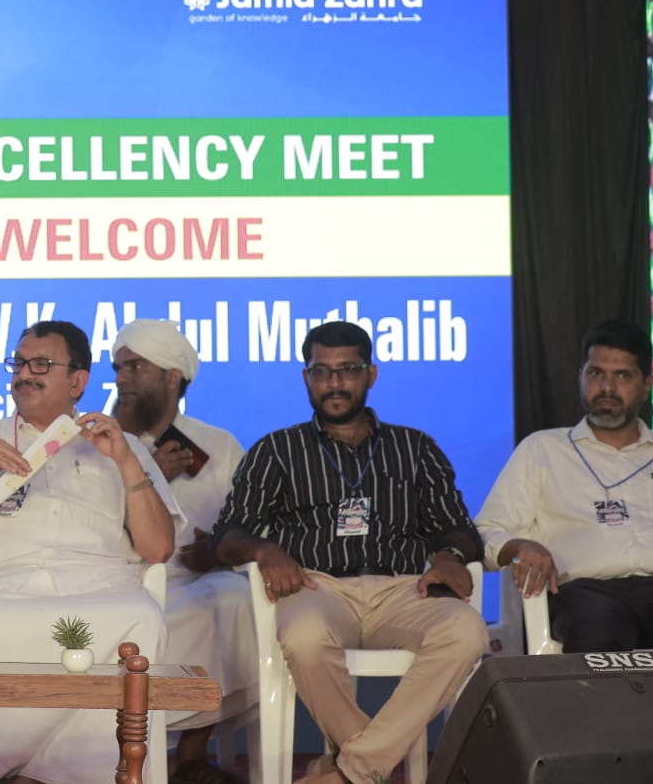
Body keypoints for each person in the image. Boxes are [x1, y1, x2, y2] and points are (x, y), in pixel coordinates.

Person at [211, 320, 486, 784]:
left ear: (370, 374)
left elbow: (460, 530)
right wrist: (263, 550)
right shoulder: (277, 450)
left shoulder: (415, 448)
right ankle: (368, 768)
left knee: (467, 632)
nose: (334, 383)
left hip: (404, 590)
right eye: (321, 371)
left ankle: (349, 771)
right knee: (303, 636)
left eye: (348, 370)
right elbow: (226, 536)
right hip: (317, 586)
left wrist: (450, 556)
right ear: (306, 378)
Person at [0, 320, 182, 784]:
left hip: (103, 587)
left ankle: (38, 775)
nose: (23, 374)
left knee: (142, 618)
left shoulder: (123, 446)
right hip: (1, 589)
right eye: (18, 363)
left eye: (41, 365)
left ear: (78, 381)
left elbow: (158, 549)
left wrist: (125, 461)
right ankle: (10, 772)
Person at [111, 319, 252, 784]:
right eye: (118, 368)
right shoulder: (100, 442)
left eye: (135, 366)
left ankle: (191, 755)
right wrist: (150, 475)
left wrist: (218, 551)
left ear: (173, 377)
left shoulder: (219, 446)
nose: (122, 378)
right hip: (118, 583)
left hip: (194, 585)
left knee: (231, 599)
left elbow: (251, 524)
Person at [476, 319, 653, 652]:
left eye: (622, 376)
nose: (607, 388)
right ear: (580, 377)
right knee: (601, 627)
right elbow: (487, 530)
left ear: (647, 384)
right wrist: (521, 547)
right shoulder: (543, 449)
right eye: (596, 373)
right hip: (584, 594)